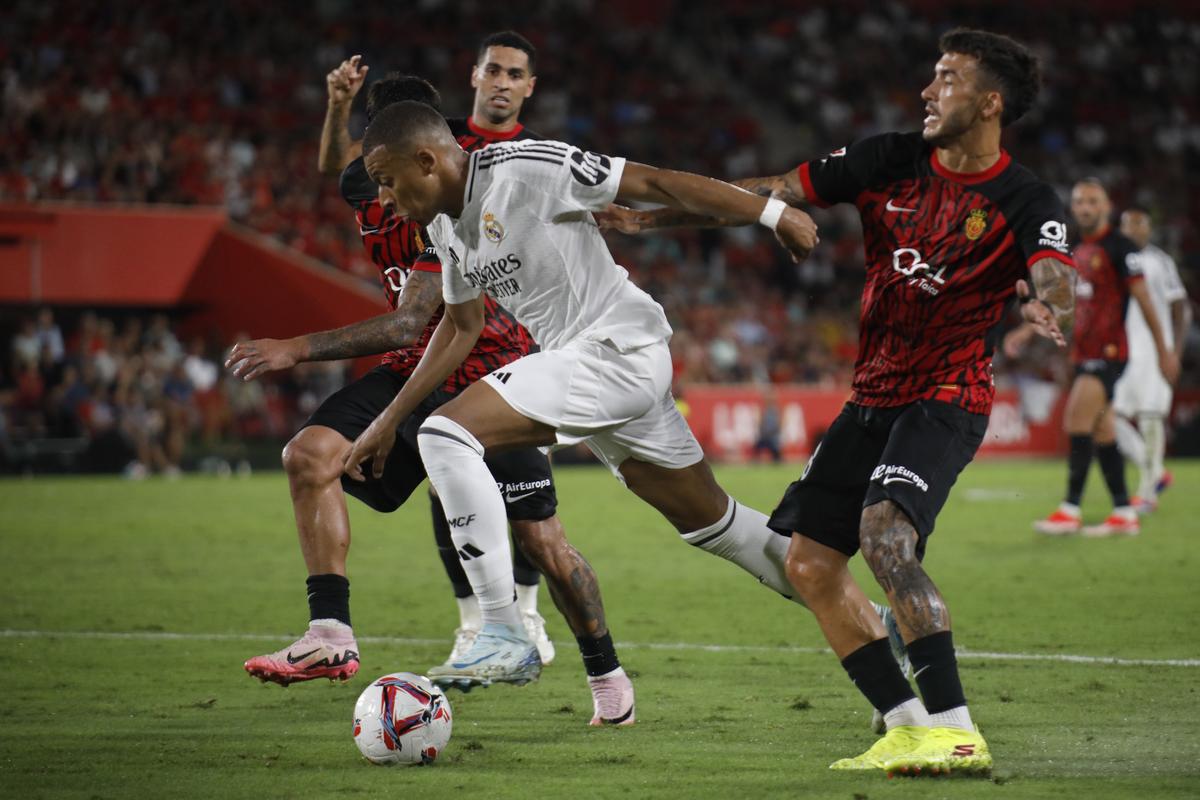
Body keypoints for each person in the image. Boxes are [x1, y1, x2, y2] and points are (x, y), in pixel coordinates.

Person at [604, 28, 1074, 777]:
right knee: (811, 563)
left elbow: (1055, 271)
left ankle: (955, 728)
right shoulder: (887, 159)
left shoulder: (1026, 199)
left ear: (990, 102)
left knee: (886, 534)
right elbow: (772, 193)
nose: (928, 90)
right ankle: (905, 724)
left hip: (949, 393)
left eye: (947, 79)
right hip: (872, 396)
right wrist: (653, 219)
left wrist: (1051, 305)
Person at [338, 100, 836, 706]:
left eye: (388, 181)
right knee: (716, 525)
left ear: (426, 159)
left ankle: (500, 627)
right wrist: (391, 419)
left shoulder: (527, 168)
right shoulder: (444, 227)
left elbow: (652, 182)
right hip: (593, 369)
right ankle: (872, 622)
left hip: (614, 348)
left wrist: (771, 212)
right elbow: (460, 326)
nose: (384, 199)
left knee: (445, 436)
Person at [229, 50, 634, 726]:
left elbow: (413, 319)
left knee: (545, 545)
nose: (375, 179)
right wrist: (334, 107)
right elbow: (337, 167)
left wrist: (296, 347)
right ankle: (330, 633)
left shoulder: (449, 195)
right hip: (414, 370)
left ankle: (606, 677)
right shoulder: (368, 181)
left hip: (491, 371)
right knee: (308, 455)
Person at [315, 34, 556, 668]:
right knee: (446, 484)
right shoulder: (404, 168)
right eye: (494, 70)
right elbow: (340, 170)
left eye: (515, 73)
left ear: (529, 85)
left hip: (505, 346)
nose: (502, 82)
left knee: (527, 506)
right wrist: (338, 108)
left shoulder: (509, 161)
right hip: (439, 342)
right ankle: (478, 623)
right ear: (474, 76)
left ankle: (526, 614)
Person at [1022, 182, 1179, 537]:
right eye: (1079, 202)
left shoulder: (1120, 248)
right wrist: (1031, 331)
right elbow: (1069, 305)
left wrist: (1164, 351)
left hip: (1110, 354)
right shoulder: (1077, 248)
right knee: (1102, 429)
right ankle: (1124, 512)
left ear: (1106, 206)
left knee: (1076, 420)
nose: (1085, 207)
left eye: (1092, 201)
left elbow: (1144, 301)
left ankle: (1070, 509)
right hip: (1085, 353)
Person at [1111, 208, 1191, 513]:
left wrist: (1175, 351)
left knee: (1149, 417)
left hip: (1157, 352)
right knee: (1108, 416)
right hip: (1123, 353)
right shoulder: (1113, 260)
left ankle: (1147, 492)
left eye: (1139, 225)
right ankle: (1156, 471)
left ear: (1149, 229)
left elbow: (1181, 307)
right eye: (1128, 225)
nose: (1133, 230)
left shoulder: (1160, 262)